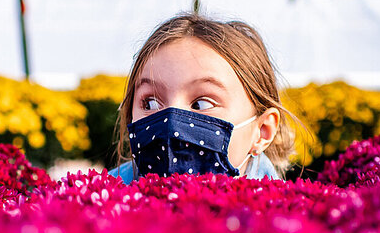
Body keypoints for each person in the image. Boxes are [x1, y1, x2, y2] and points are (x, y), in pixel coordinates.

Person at [109, 13, 300, 184]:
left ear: (262, 131)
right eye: (150, 102)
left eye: (201, 103)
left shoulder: (282, 218)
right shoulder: (105, 197)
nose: (171, 122)